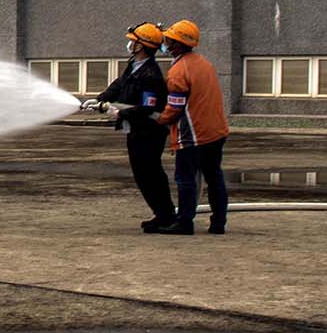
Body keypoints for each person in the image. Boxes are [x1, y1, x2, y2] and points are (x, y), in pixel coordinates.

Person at [86, 22, 175, 231]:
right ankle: (162, 214)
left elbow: (146, 108)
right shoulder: (134, 66)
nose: (129, 44)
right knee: (142, 174)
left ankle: (166, 215)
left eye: (132, 42)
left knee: (150, 174)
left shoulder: (151, 75)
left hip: (149, 132)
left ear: (141, 46)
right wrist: (99, 99)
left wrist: (117, 111)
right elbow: (120, 85)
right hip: (136, 130)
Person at [152, 19, 229, 235]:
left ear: (177, 44)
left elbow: (175, 108)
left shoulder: (178, 71)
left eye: (168, 40)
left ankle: (184, 223)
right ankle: (218, 223)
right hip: (216, 131)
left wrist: (159, 119)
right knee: (214, 178)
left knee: (185, 179)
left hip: (193, 134)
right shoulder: (204, 63)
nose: (164, 43)